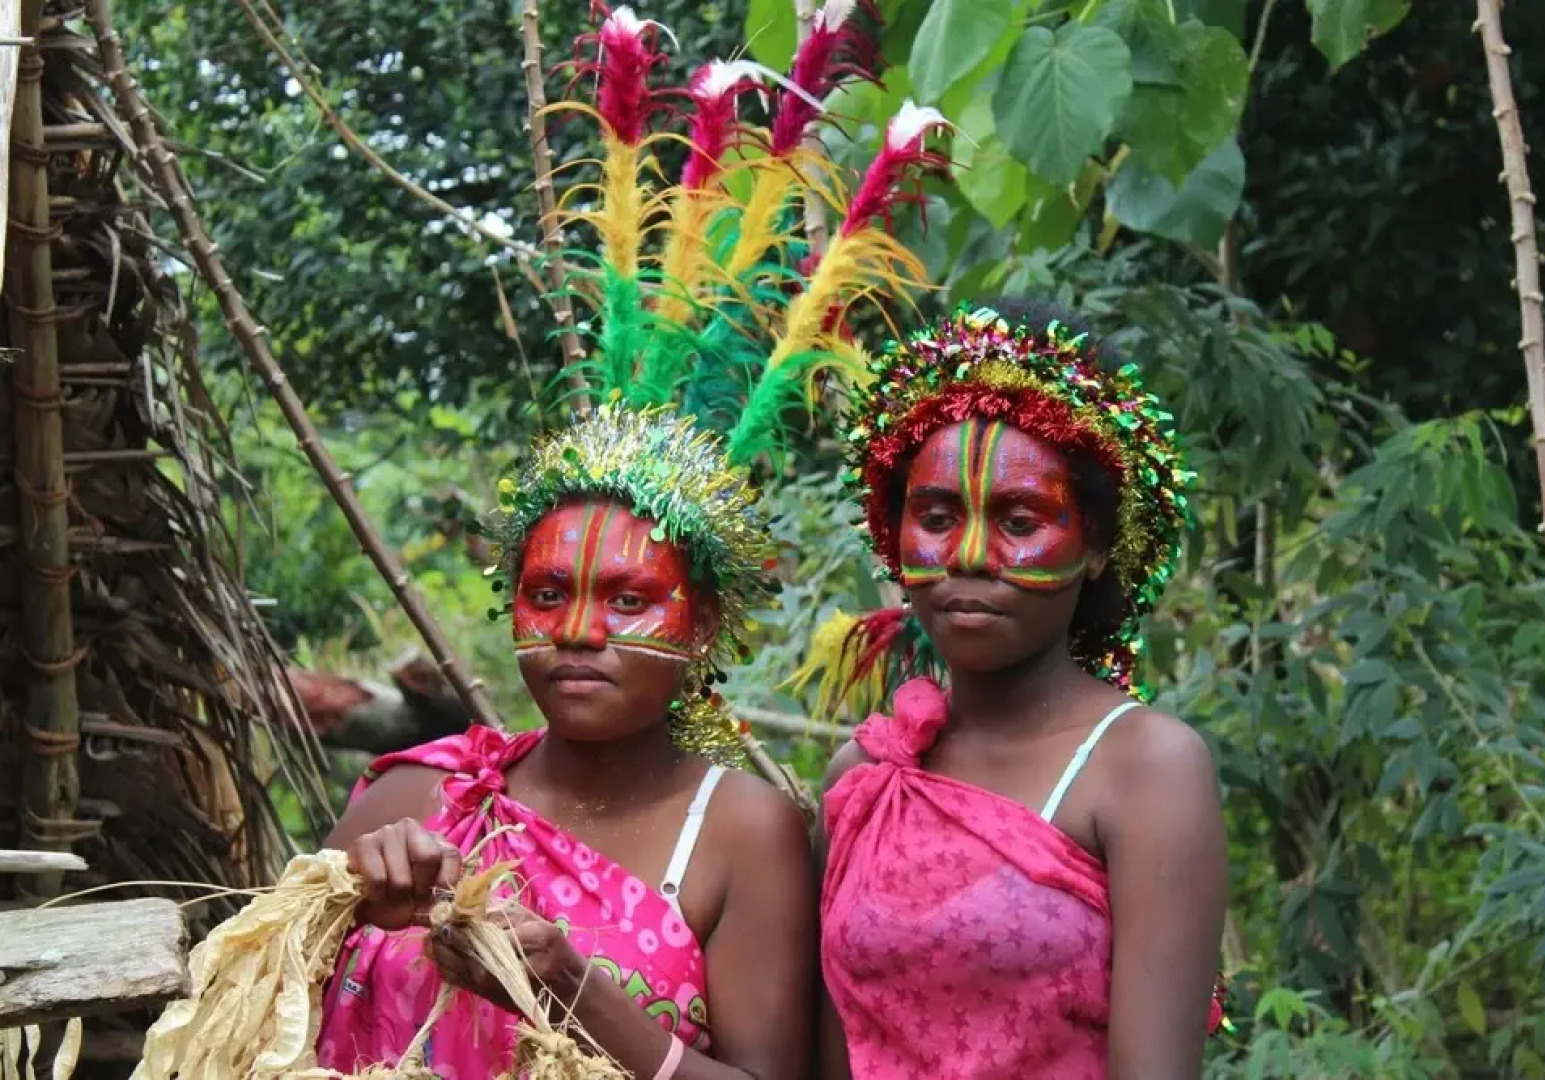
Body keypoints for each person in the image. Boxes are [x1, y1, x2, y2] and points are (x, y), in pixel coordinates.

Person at [310, 4, 943, 1078]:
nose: (578, 631)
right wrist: (339, 904)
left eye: (630, 598)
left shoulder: (743, 834)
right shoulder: (414, 795)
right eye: (546, 592)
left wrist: (577, 991)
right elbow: (247, 1009)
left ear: (703, 625)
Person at [803, 299, 1229, 1079]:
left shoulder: (1145, 769)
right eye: (936, 517)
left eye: (1020, 520)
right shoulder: (863, 779)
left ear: (1095, 546)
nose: (968, 554)